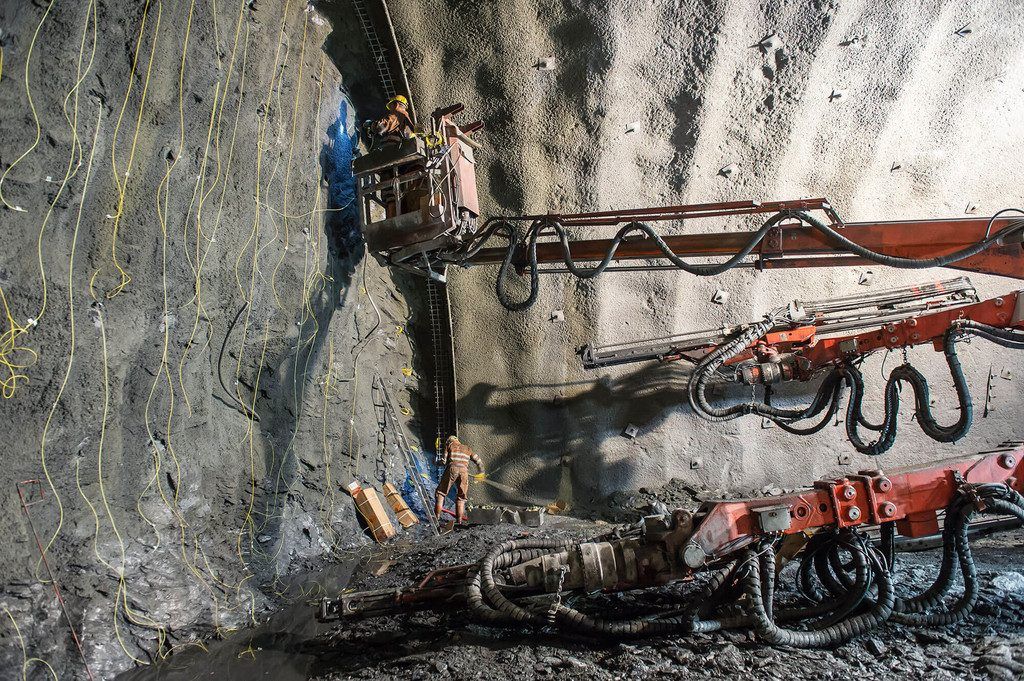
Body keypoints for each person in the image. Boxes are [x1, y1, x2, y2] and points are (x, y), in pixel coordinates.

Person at [434, 435, 484, 524]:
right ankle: (459, 521)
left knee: (440, 493)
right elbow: (479, 461)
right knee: (461, 497)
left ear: (449, 441)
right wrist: (481, 473)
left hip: (452, 469)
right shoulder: (468, 448)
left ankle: (436, 518)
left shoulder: (449, 445)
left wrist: (437, 463)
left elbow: (444, 461)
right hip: (464, 472)